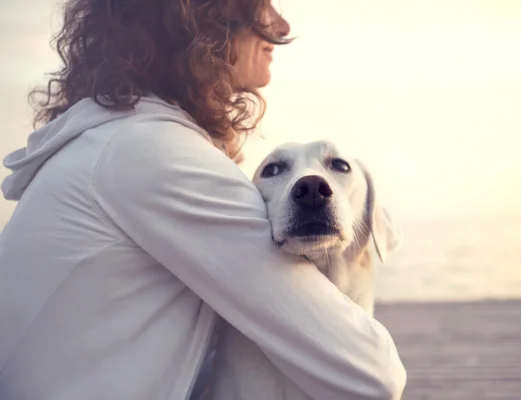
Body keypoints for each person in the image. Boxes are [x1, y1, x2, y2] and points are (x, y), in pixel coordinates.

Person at [0, 0, 406, 399]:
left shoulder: (110, 138)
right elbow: (374, 371)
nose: (281, 27)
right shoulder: (154, 152)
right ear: (201, 17)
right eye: (262, 5)